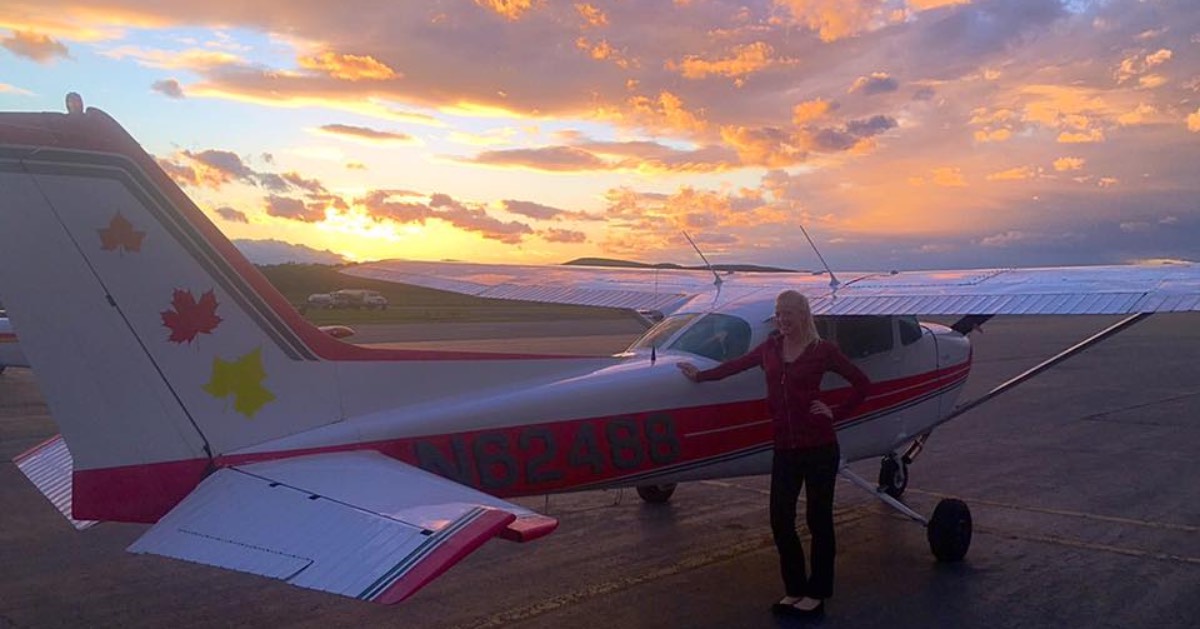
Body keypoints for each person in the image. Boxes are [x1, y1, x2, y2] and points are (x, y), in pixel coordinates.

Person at [677, 290, 870, 618]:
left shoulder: (822, 351)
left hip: (820, 447)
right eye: (779, 314)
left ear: (803, 315)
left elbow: (861, 384)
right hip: (785, 448)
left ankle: (817, 593)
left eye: (788, 314)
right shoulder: (770, 348)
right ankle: (794, 588)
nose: (782, 320)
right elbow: (735, 366)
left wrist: (834, 413)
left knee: (818, 520)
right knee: (780, 519)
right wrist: (700, 375)